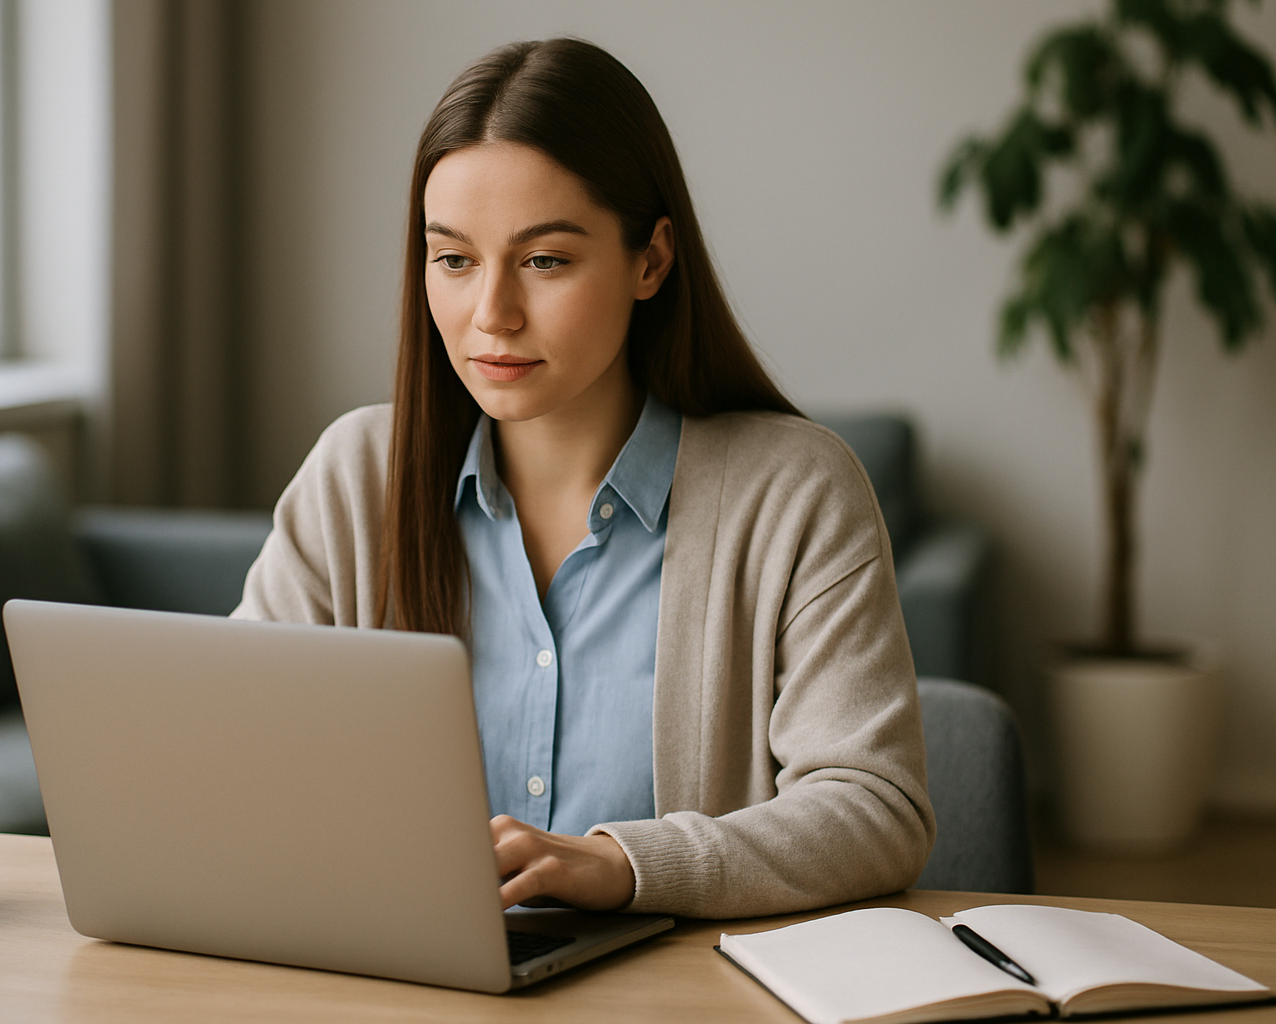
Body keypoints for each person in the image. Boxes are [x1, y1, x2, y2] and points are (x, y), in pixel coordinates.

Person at [233, 38, 934, 920]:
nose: (492, 315)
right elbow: (237, 762)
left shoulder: (795, 493)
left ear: (651, 260)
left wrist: (628, 864)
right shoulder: (354, 478)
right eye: (453, 260)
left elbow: (877, 811)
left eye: (544, 261)